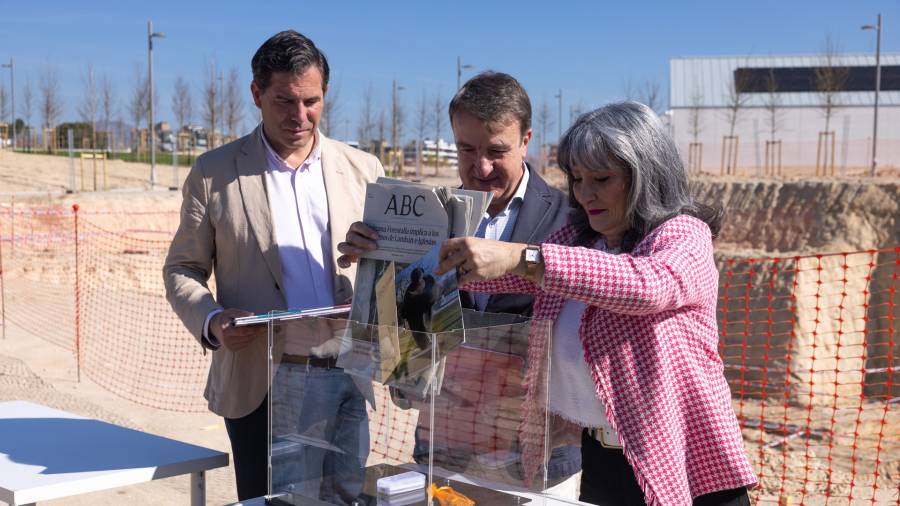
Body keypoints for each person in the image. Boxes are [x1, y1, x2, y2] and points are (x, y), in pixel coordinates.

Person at [433, 102, 758, 505]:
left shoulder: (683, 236)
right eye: (578, 179)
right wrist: (398, 250)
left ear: (645, 175)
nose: (586, 194)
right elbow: (496, 275)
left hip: (685, 465)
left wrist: (524, 257)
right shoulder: (579, 240)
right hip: (604, 459)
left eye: (602, 179)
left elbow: (647, 286)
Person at [163, 30, 383, 502]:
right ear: (256, 94)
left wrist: (378, 260)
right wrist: (212, 320)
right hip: (260, 382)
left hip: (346, 372)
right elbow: (182, 269)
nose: (299, 116)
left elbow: (394, 275)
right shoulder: (214, 172)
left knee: (346, 498)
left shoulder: (365, 169)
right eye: (284, 100)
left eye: (312, 101)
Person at [338, 72, 580, 497]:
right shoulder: (426, 221)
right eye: (466, 149)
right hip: (445, 448)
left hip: (539, 461)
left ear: (527, 140)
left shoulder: (572, 223)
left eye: (496, 151)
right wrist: (378, 267)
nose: (480, 167)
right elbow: (403, 351)